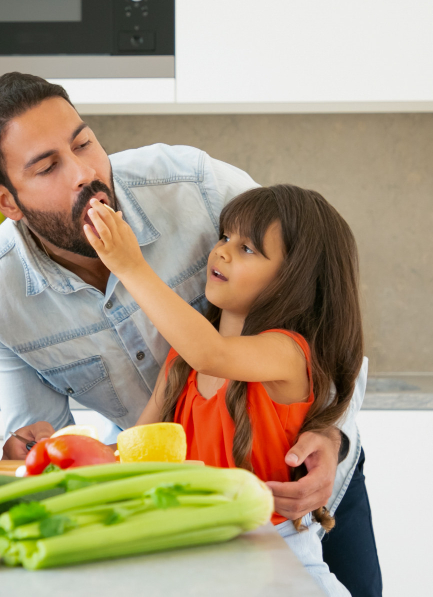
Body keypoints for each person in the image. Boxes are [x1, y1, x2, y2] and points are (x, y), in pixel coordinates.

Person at [0, 72, 381, 595]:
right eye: (48, 166)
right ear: (6, 200)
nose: (83, 173)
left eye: (84, 143)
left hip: (302, 507)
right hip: (190, 528)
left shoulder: (198, 186)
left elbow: (325, 315)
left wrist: (330, 431)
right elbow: (66, 440)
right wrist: (32, 449)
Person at [83, 186, 361, 596]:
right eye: (225, 237)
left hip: (277, 555)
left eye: (248, 248)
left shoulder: (289, 354)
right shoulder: (182, 361)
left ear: (295, 278)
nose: (223, 252)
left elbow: (211, 353)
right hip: (195, 554)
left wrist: (129, 266)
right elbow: (128, 454)